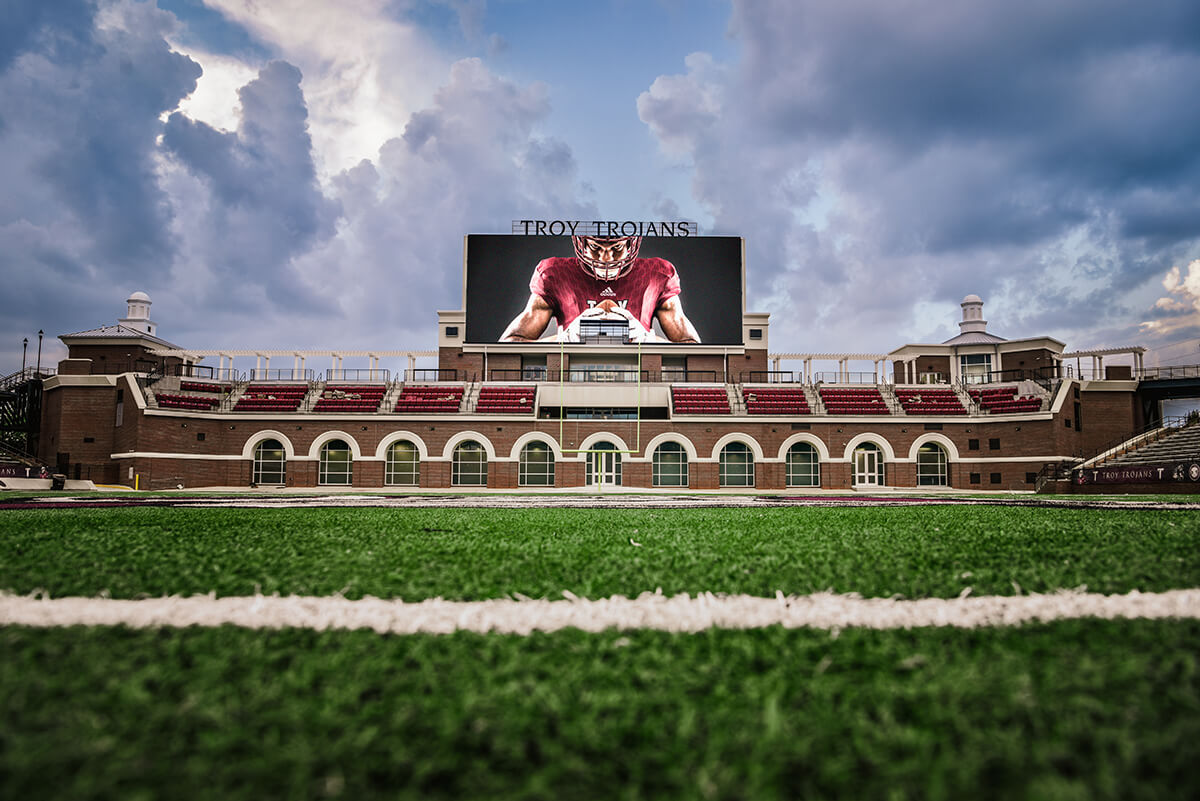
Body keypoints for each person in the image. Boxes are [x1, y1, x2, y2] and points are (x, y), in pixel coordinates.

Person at [501, 235, 701, 343]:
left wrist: (648, 340)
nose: (606, 259)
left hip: (638, 374)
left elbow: (693, 350)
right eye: (596, 248)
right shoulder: (554, 273)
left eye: (616, 249)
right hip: (572, 373)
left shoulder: (658, 274)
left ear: (631, 245)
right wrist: (562, 340)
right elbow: (508, 344)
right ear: (582, 243)